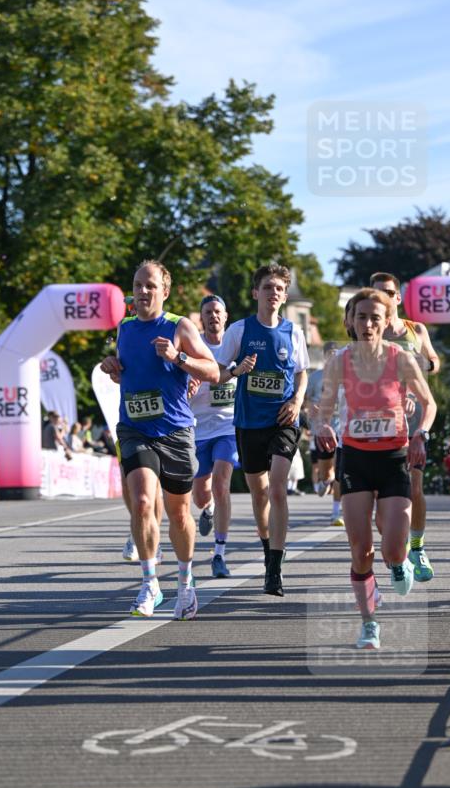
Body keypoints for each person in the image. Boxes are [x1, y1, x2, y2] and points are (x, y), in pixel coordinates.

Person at [315, 288, 436, 650]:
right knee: (360, 547)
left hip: (393, 458)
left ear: (386, 323)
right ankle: (369, 623)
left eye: (375, 318)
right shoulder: (339, 361)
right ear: (351, 321)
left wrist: (421, 434)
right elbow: (323, 407)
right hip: (355, 457)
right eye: (362, 317)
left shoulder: (401, 359)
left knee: (394, 549)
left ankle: (399, 563)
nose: (368, 324)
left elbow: (428, 404)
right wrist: (322, 425)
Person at [100, 259, 218, 618]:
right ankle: (150, 583)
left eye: (150, 285)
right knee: (140, 502)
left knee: (180, 513)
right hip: (135, 428)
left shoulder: (179, 326)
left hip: (175, 431)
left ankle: (184, 582)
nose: (143, 291)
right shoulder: (125, 329)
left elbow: (213, 371)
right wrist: (112, 367)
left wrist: (178, 356)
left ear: (164, 291)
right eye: (138, 285)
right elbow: (128, 375)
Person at [217, 263, 309, 596]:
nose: (274, 293)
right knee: (259, 493)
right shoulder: (239, 331)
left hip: (283, 420)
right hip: (248, 423)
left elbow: (302, 372)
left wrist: (298, 400)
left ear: (285, 297)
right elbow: (218, 373)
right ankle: (267, 547)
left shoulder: (294, 332)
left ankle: (275, 568)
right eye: (268, 287)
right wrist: (237, 369)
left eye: (280, 289)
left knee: (278, 488)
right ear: (256, 292)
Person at [371, 271, 440, 582]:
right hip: (379, 421)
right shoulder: (368, 332)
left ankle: (417, 547)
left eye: (388, 292)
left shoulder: (416, 329)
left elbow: (433, 360)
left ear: (397, 297)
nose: (383, 297)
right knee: (380, 498)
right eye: (377, 293)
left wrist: (424, 367)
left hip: (412, 421)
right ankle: (396, 548)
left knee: (414, 486)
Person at [188, 295, 239, 578]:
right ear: (201, 317)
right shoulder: (195, 346)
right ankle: (206, 509)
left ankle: (219, 553)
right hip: (198, 427)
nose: (213, 316)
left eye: (218, 311)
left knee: (221, 483)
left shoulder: (235, 346)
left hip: (228, 426)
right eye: (208, 312)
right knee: (201, 494)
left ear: (225, 316)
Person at [305, 341, 340, 518]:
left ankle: (336, 512)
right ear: (325, 355)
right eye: (330, 353)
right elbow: (305, 400)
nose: (333, 356)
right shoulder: (315, 377)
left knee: (340, 468)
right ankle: (325, 480)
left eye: (336, 353)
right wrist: (312, 407)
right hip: (322, 428)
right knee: (326, 470)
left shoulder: (347, 377)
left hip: (342, 427)